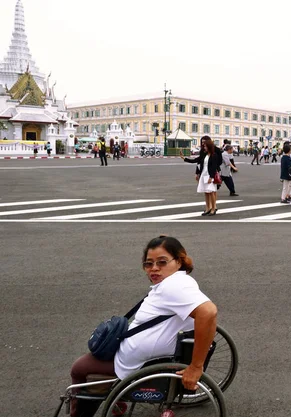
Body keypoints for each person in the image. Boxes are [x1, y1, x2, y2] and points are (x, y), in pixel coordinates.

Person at [69, 236, 218, 417]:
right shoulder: (177, 282)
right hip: (140, 354)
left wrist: (196, 367)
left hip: (133, 362)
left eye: (162, 262)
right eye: (149, 264)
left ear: (178, 262)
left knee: (79, 369)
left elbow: (208, 312)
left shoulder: (173, 287)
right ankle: (116, 401)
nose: (154, 268)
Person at [181, 136, 223, 216]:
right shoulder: (204, 155)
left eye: (205, 146)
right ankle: (208, 208)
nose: (204, 147)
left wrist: (211, 177)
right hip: (204, 174)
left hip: (210, 175)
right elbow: (196, 161)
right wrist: (184, 159)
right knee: (206, 192)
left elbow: (214, 167)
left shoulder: (214, 155)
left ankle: (213, 208)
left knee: (211, 191)